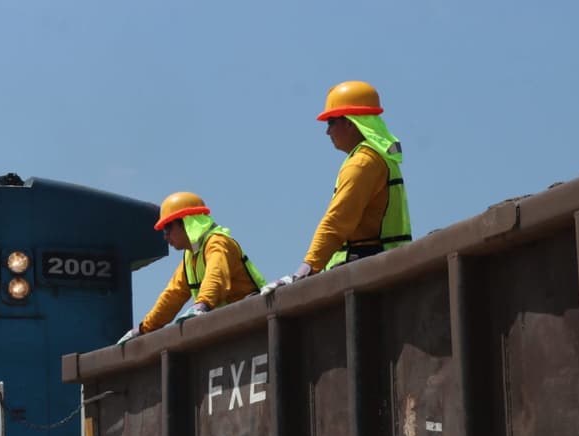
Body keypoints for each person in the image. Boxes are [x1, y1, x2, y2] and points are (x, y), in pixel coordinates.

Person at [263, 80, 411, 293]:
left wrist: (307, 267)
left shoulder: (362, 162)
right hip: (385, 265)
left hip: (366, 271)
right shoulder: (380, 158)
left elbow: (337, 221)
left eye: (331, 122)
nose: (327, 132)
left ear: (350, 123)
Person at [118, 191, 265, 344]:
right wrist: (144, 329)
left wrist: (202, 305)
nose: (165, 236)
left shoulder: (218, 243)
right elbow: (173, 295)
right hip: (233, 328)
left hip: (254, 322)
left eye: (168, 227)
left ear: (187, 222)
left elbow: (216, 276)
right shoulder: (191, 257)